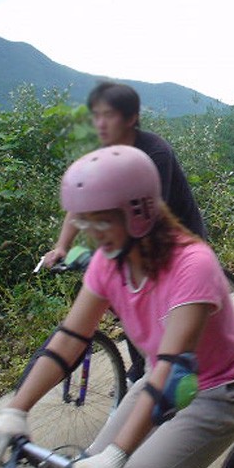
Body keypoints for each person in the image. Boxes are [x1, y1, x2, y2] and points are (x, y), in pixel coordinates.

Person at [0, 146, 234, 468]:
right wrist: (15, 411)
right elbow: (70, 338)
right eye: (84, 222)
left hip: (220, 391)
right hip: (157, 380)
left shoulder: (193, 264)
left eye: (99, 222)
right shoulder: (108, 261)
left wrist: (117, 456)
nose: (91, 235)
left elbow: (173, 366)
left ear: (138, 213)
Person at [44, 81, 207, 382]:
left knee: (147, 295)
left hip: (175, 234)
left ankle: (174, 364)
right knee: (123, 295)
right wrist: (62, 247)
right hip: (130, 234)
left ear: (131, 118)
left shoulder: (154, 152)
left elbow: (153, 214)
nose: (100, 123)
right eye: (96, 115)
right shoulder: (103, 155)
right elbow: (81, 201)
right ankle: (143, 365)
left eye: (109, 115)